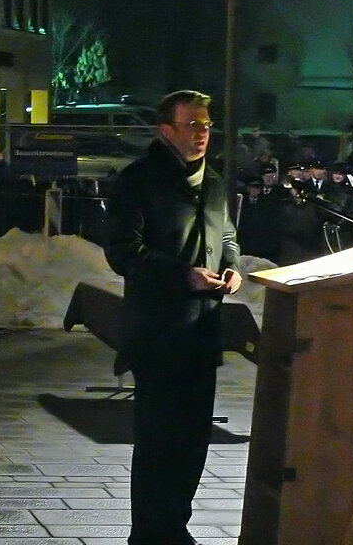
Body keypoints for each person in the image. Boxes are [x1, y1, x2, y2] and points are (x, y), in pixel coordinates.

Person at [104, 90, 241, 545]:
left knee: (192, 442)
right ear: (166, 131)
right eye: (192, 125)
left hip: (202, 334)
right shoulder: (139, 181)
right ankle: (149, 534)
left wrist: (232, 269)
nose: (203, 134)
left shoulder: (216, 182)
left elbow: (228, 235)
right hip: (159, 333)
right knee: (160, 441)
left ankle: (173, 529)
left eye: (206, 125)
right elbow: (123, 251)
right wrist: (184, 275)